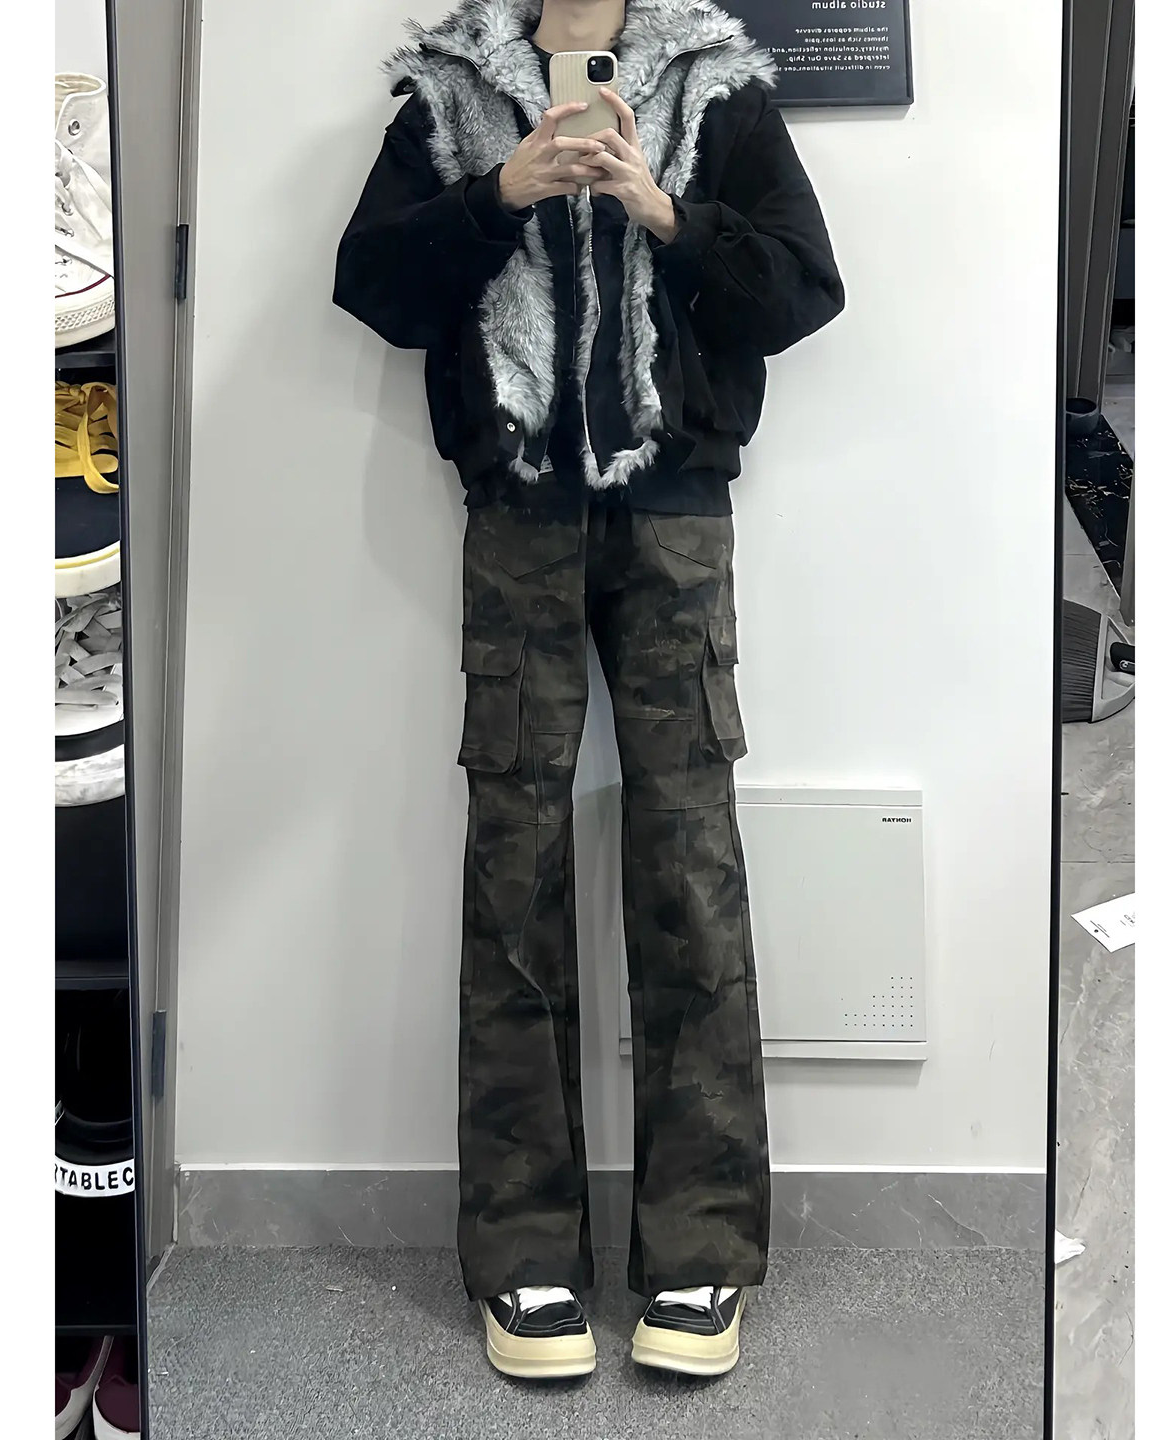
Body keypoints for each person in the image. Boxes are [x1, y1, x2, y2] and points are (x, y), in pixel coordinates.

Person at [334, 0, 843, 1380]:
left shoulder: (716, 85)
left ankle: (699, 1252)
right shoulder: (450, 93)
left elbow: (802, 293)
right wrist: (498, 194)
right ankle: (525, 1255)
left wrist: (660, 209)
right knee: (514, 868)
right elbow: (374, 287)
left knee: (690, 864)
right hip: (516, 517)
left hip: (675, 520)